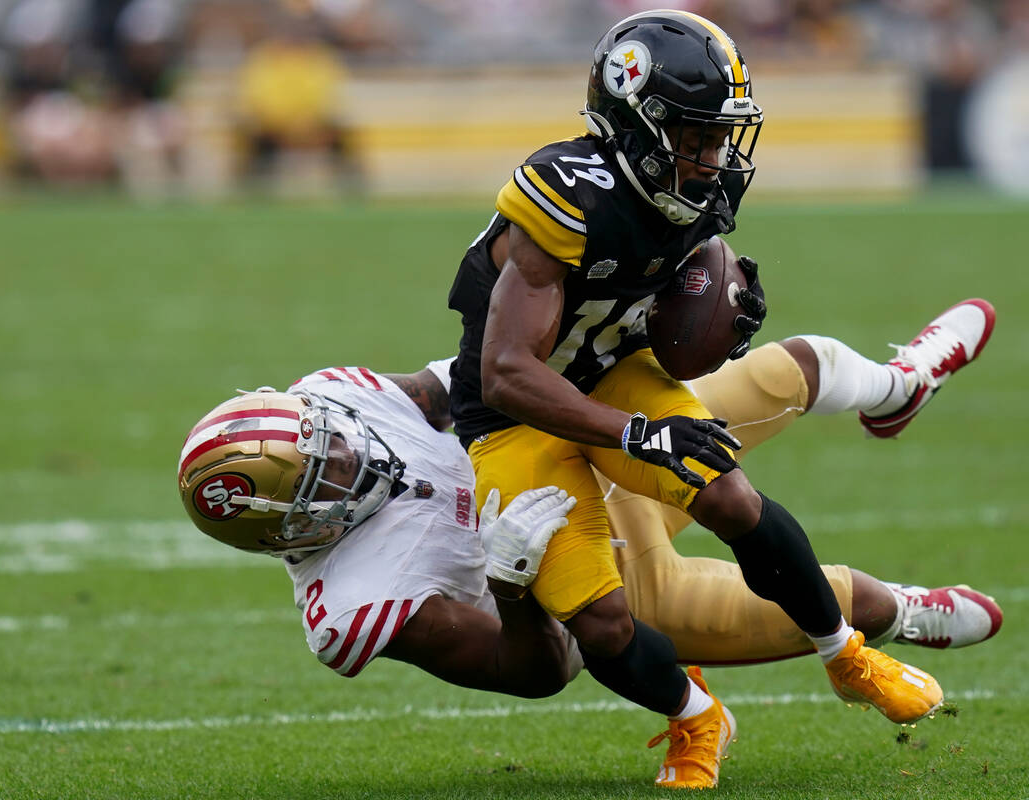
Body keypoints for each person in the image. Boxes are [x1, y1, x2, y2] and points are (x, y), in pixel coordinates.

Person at [444, 10, 995, 788]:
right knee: (600, 621)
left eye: (719, 135)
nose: (713, 155)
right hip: (513, 417)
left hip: (610, 370)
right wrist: (638, 435)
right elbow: (506, 371)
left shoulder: (692, 191)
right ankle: (695, 718)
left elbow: (660, 290)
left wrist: (709, 318)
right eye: (694, 136)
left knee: (729, 495)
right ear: (635, 122)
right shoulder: (567, 196)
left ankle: (846, 653)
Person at [177, 307, 1000, 790]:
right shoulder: (355, 609)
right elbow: (542, 672)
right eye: (326, 476)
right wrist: (509, 586)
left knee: (791, 370)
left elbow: (464, 380)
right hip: (595, 579)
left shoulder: (338, 396)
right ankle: (898, 616)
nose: (353, 458)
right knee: (845, 603)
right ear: (290, 531)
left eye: (331, 443)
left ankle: (900, 387)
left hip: (580, 455)